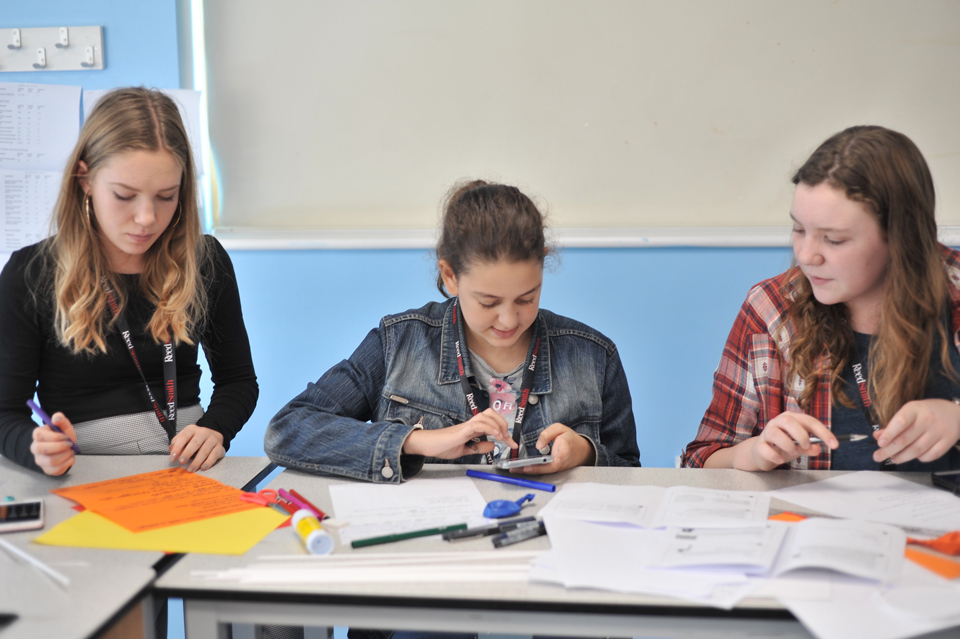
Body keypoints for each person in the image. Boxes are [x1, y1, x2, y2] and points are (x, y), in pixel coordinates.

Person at [266, 180, 640, 482]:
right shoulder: (399, 343)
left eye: (527, 298)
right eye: (488, 302)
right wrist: (416, 440)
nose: (508, 320)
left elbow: (630, 473)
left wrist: (586, 453)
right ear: (450, 277)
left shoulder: (593, 355)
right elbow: (288, 429)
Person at [0, 87, 258, 476]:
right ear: (84, 179)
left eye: (166, 196)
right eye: (124, 196)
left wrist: (215, 429)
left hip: (189, 470)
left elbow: (239, 381)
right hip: (83, 473)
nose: (147, 219)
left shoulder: (205, 261)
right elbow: (4, 415)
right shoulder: (32, 273)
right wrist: (35, 449)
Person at [683, 125, 960, 472]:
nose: (807, 255)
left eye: (834, 240)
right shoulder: (772, 308)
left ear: (900, 237)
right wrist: (753, 454)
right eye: (799, 230)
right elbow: (701, 461)